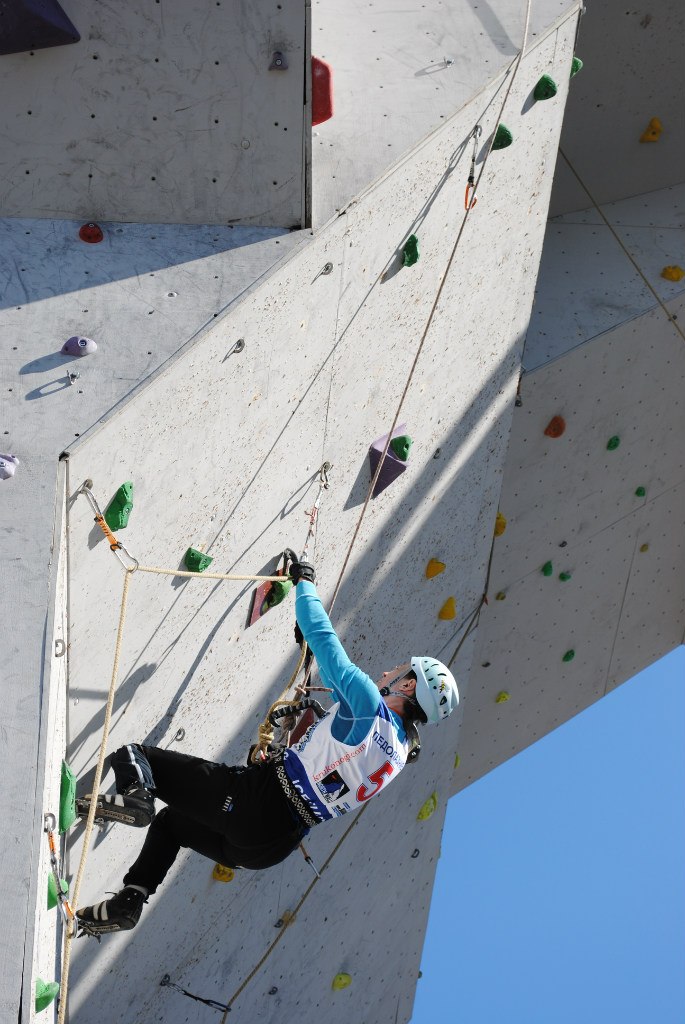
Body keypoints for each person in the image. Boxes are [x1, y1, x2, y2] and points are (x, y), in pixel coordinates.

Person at [76, 560, 459, 936]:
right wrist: (309, 656)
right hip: (272, 847)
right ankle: (131, 898)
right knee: (171, 825)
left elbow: (325, 638)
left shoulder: (368, 706)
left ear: (408, 686)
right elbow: (333, 705)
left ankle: (137, 797)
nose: (387, 672)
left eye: (397, 671)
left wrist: (304, 583)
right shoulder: (395, 754)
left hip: (260, 800)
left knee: (136, 756)